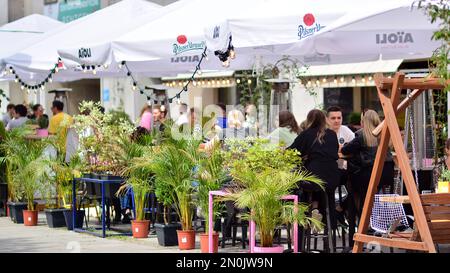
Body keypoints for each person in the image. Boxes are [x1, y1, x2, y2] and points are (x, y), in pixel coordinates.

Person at [288, 109, 340, 231]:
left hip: (314, 177)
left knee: (306, 186)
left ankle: (308, 216)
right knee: (325, 189)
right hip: (332, 177)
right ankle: (326, 219)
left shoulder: (306, 134)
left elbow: (291, 152)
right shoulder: (332, 134)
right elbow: (335, 153)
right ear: (324, 119)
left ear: (309, 120)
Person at [341, 110, 394, 217]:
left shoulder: (362, 136)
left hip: (370, 175)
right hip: (387, 174)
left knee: (353, 187)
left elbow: (345, 150)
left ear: (363, 122)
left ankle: (358, 216)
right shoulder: (385, 134)